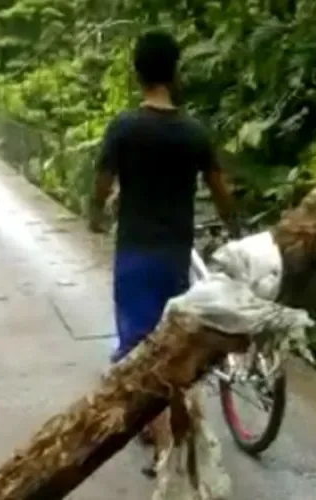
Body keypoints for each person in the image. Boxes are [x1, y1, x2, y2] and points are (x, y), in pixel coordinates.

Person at [89, 30, 240, 367]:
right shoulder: (193, 133)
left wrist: (95, 215)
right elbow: (220, 190)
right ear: (174, 72)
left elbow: (102, 182)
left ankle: (139, 418)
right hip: (174, 257)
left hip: (134, 253)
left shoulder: (123, 128)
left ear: (137, 74)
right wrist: (234, 228)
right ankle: (176, 415)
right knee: (170, 351)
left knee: (136, 353)